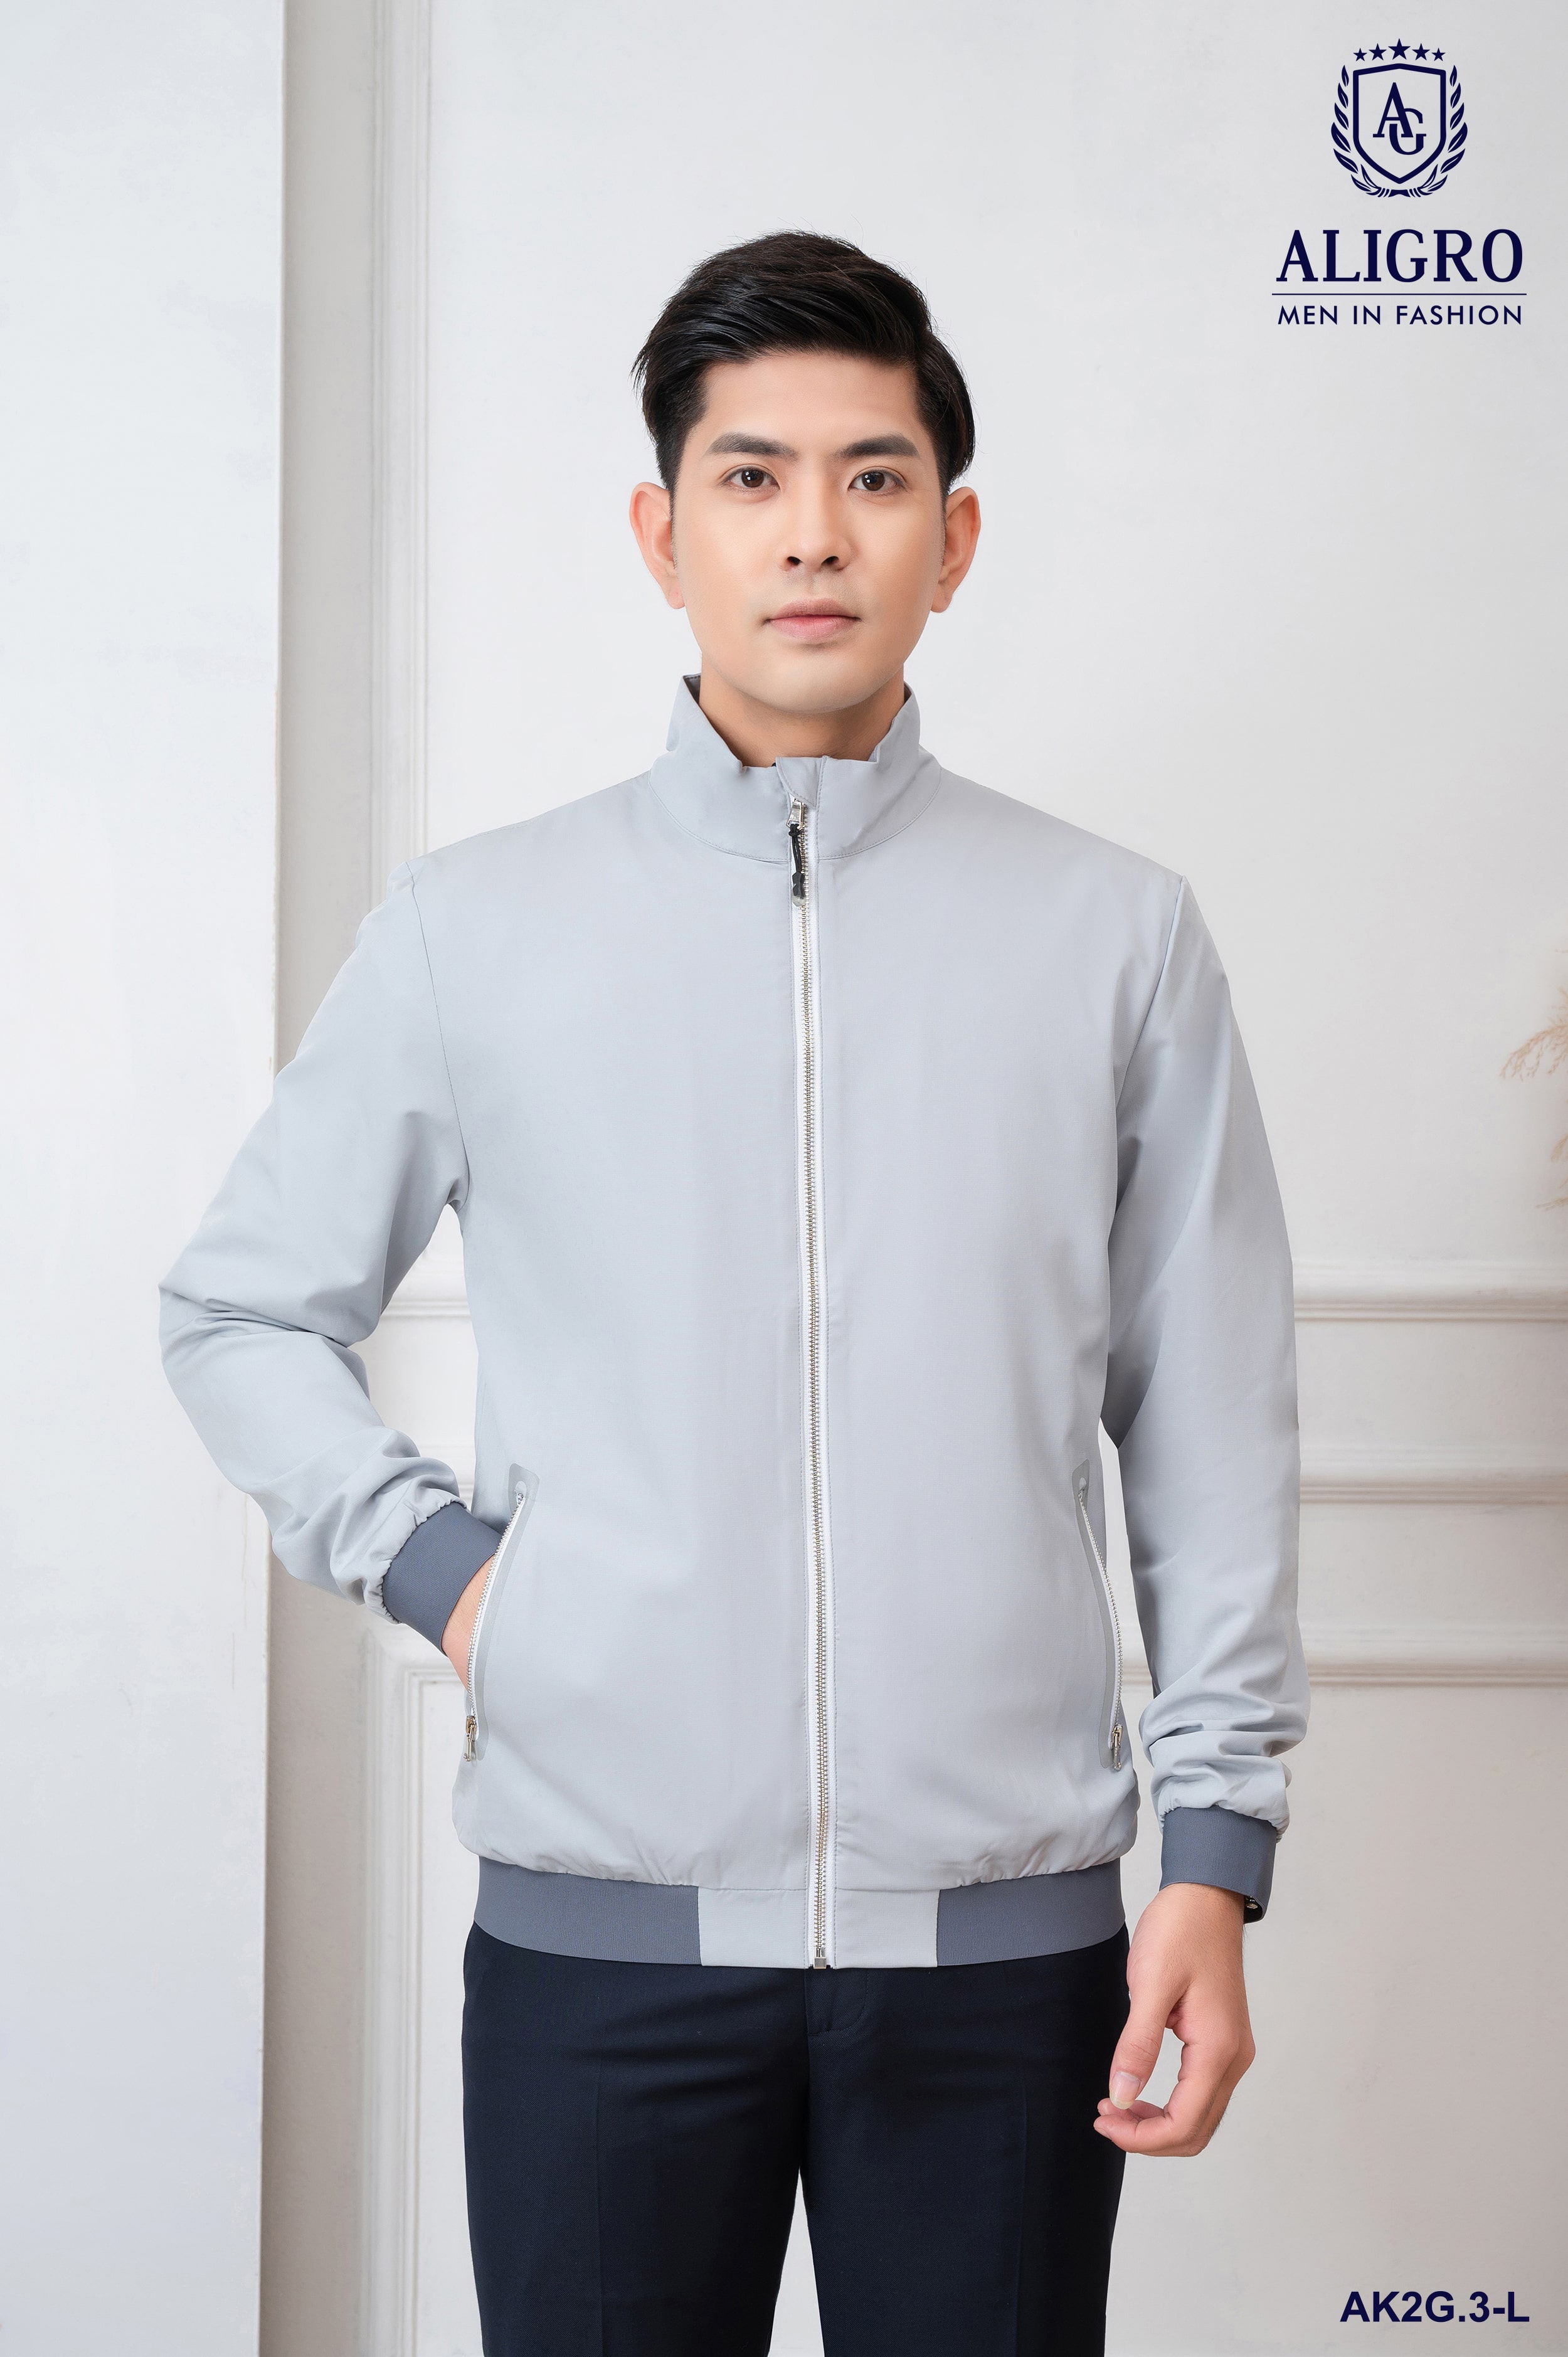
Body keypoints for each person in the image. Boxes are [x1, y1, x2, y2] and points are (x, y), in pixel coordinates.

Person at [159, 230, 1309, 2355]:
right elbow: (240, 1309)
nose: (812, 535)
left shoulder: (1114, 936)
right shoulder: (474, 929)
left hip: (1008, 1955)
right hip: (598, 1949)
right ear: (659, 532)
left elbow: (1211, 1418)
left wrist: (1211, 1854)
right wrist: (455, 1579)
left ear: (953, 539)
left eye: (874, 479)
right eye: (751, 477)